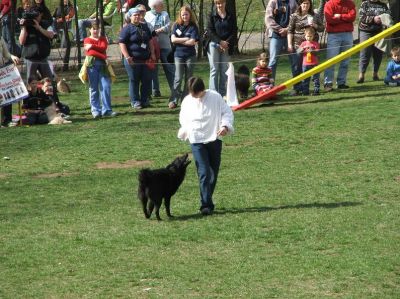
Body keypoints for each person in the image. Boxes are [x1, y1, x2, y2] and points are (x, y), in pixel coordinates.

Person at [178, 77, 234, 216]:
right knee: (204, 172)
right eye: (192, 94)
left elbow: (227, 112)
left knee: (213, 173)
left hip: (214, 138)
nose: (195, 97)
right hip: (196, 140)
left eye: (196, 94)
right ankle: (206, 205)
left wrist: (225, 126)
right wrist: (186, 130)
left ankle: (207, 198)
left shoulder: (215, 97)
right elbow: (183, 118)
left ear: (202, 90)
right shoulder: (187, 101)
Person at [119, 7, 156, 109]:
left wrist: (152, 53)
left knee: (146, 79)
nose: (137, 16)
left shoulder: (145, 27)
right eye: (135, 15)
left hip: (145, 59)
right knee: (134, 80)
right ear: (130, 17)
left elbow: (150, 41)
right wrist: (127, 57)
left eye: (138, 15)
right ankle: (135, 101)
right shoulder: (126, 29)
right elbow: (122, 44)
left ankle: (144, 100)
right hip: (133, 60)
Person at [287, 0, 324, 95]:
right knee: (297, 67)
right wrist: (290, 45)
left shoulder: (314, 15)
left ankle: (309, 88)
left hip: (312, 47)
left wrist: (315, 25)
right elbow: (290, 31)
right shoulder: (295, 16)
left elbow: (322, 28)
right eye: (304, 3)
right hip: (298, 46)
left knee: (312, 68)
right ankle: (296, 88)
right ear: (300, 4)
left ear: (310, 5)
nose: (305, 5)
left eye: (307, 3)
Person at [83, 23, 116, 118]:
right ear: (90, 30)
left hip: (103, 66)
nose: (95, 31)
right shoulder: (87, 40)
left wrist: (92, 46)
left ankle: (107, 110)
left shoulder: (102, 39)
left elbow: (103, 47)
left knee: (106, 87)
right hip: (92, 66)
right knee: (94, 88)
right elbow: (90, 53)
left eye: (97, 29)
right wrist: (103, 56)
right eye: (93, 29)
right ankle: (95, 110)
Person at [206, 0, 237, 97]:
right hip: (213, 44)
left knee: (224, 70)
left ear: (225, 3)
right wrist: (220, 42)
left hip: (226, 45)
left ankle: (223, 94)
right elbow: (210, 31)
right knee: (214, 69)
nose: (220, 5)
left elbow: (234, 31)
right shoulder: (211, 15)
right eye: (217, 3)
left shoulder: (230, 16)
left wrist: (226, 43)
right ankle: (213, 94)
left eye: (221, 3)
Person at [170, 5, 199, 109]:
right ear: (180, 15)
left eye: (186, 14)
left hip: (190, 56)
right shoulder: (176, 25)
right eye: (183, 15)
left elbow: (192, 42)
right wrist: (186, 38)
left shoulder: (193, 26)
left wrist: (180, 40)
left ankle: (185, 100)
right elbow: (173, 40)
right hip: (178, 55)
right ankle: (173, 100)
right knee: (178, 78)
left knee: (189, 78)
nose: (185, 16)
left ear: (189, 14)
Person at [323, 0, 356, 91]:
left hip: (348, 34)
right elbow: (329, 19)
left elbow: (352, 17)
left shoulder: (350, 3)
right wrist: (346, 18)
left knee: (345, 60)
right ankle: (328, 83)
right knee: (331, 60)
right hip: (334, 35)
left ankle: (341, 82)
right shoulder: (329, 4)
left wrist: (340, 16)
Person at [145, 0, 175, 99]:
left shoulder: (165, 14)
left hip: (165, 45)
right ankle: (155, 91)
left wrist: (158, 30)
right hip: (153, 46)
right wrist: (154, 31)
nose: (162, 6)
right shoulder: (147, 15)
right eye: (160, 4)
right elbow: (148, 29)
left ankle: (174, 89)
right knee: (153, 69)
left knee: (169, 68)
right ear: (154, 6)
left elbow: (168, 27)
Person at [357, 0, 391, 84]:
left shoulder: (383, 5)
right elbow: (361, 17)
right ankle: (361, 74)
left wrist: (384, 20)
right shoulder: (364, 4)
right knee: (365, 53)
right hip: (366, 31)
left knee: (378, 53)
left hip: (379, 31)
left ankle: (375, 73)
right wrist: (373, 19)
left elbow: (389, 16)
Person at [264, 0, 298, 83]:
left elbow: (297, 17)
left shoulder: (293, 2)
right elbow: (268, 19)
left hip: (290, 35)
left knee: (295, 60)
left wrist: (287, 30)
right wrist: (280, 29)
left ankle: (297, 87)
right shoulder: (272, 2)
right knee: (273, 61)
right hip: (275, 36)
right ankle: (269, 87)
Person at [19, 6, 55, 82]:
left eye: (37, 15)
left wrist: (39, 28)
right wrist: (24, 27)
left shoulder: (45, 23)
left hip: (43, 58)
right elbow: (21, 41)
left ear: (41, 15)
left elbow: (51, 35)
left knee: (49, 81)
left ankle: (50, 93)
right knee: (30, 82)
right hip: (30, 58)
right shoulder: (27, 25)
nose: (35, 17)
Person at [0, 37, 20, 127]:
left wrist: (12, 56)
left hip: (2, 70)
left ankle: (7, 120)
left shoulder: (0, 38)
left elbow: (6, 53)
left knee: (7, 94)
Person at [298, 27, 320, 95]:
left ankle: (316, 90)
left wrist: (312, 51)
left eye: (310, 36)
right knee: (305, 78)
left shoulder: (315, 44)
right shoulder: (303, 43)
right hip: (305, 64)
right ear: (305, 36)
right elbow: (298, 52)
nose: (309, 38)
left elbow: (317, 52)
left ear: (313, 36)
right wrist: (301, 49)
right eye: (307, 36)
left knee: (315, 78)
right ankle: (305, 91)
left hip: (314, 64)